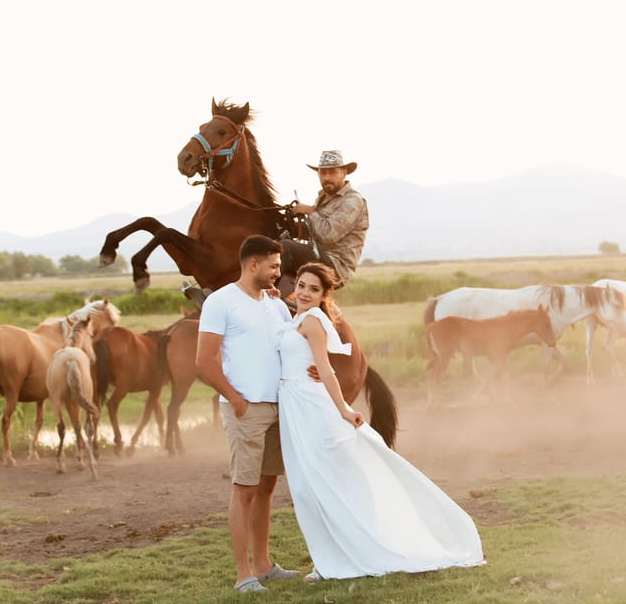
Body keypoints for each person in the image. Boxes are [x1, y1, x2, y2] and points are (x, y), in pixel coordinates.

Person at [277, 262, 486, 581]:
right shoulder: (298, 318)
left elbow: (328, 369)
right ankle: (331, 556)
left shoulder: (313, 322)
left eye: (313, 289)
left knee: (322, 484)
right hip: (297, 407)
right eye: (301, 285)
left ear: (323, 296)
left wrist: (345, 410)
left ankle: (338, 558)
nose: (305, 292)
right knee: (310, 486)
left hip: (311, 407)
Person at [196, 235, 300, 593]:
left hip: (278, 407)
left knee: (268, 487)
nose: (279, 272)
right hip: (246, 411)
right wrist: (236, 401)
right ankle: (244, 576)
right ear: (253, 265)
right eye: (273, 266)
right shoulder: (221, 302)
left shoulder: (276, 306)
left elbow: (289, 349)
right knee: (245, 489)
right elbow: (204, 362)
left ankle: (264, 565)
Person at [278, 149, 369, 297]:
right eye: (323, 173)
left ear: (344, 173)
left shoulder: (352, 201)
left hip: (335, 266)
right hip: (318, 255)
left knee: (285, 248)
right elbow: (314, 232)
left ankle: (264, 295)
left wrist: (310, 211)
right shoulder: (322, 199)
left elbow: (327, 234)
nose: (327, 177)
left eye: (332, 172)